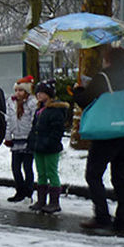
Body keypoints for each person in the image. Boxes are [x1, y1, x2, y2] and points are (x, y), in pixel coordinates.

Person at [74, 47, 124, 233]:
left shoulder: (103, 78)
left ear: (109, 61)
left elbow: (84, 100)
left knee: (93, 174)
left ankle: (102, 217)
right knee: (121, 178)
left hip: (106, 135)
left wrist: (78, 90)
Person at [27, 79, 69, 214]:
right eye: (37, 92)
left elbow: (57, 130)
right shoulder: (40, 110)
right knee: (41, 174)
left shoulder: (55, 110)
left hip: (50, 148)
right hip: (38, 147)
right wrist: (32, 141)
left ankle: (54, 202)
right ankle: (41, 200)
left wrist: (50, 142)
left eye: (42, 92)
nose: (38, 95)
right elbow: (35, 128)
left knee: (52, 172)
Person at [4, 76, 37, 203]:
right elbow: (8, 120)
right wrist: (8, 137)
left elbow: (34, 121)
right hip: (16, 139)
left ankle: (28, 192)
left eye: (21, 90)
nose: (18, 93)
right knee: (15, 167)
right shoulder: (10, 102)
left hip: (27, 138)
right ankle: (19, 190)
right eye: (16, 90)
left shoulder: (32, 103)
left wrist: (32, 137)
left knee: (27, 167)